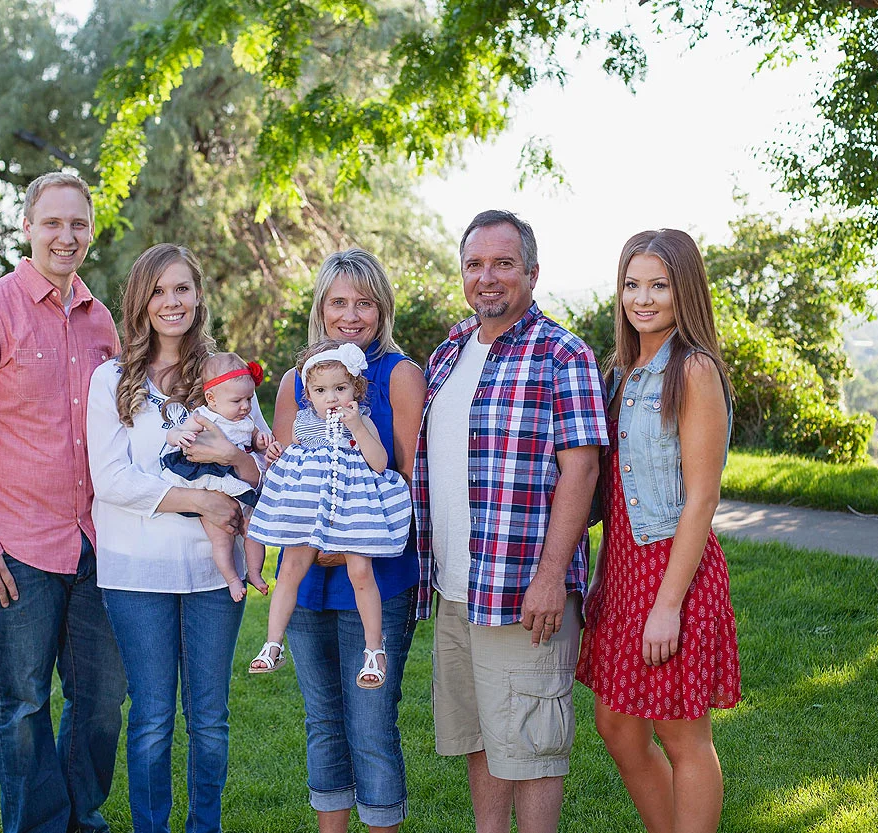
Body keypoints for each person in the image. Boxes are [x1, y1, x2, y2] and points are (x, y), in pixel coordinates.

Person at [0, 172, 127, 833]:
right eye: (52, 222)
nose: (65, 236)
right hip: (13, 551)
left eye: (78, 223)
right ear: (27, 227)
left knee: (101, 702)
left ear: (90, 231)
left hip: (95, 546)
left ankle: (78, 817)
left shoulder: (101, 321)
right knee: (20, 707)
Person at [411, 210, 608, 833]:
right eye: (475, 264)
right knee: (481, 738)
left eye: (503, 263)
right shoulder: (449, 353)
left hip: (524, 592)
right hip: (456, 591)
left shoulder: (563, 354)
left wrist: (551, 578)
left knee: (532, 746)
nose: (487, 277)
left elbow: (582, 471)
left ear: (533, 272)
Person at [86, 243, 268, 833]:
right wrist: (203, 501)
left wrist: (232, 459)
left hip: (215, 573)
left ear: (198, 297)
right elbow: (112, 480)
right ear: (140, 302)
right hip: (135, 571)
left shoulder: (224, 376)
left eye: (182, 289)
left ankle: (204, 827)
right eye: (159, 291)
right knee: (152, 718)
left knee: (209, 719)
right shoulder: (112, 380)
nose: (172, 301)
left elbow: (264, 472)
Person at [576, 229, 741, 833]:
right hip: (624, 568)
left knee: (681, 734)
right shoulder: (622, 372)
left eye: (658, 286)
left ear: (685, 291)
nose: (641, 299)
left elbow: (703, 499)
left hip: (674, 570)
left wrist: (668, 605)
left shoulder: (693, 370)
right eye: (631, 284)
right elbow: (615, 493)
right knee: (617, 726)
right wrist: (603, 577)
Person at [267, 248, 426, 832]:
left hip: (375, 576)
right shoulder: (297, 381)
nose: (351, 315)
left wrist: (351, 541)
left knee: (372, 727)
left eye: (364, 302)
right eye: (339, 302)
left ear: (383, 309)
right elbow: (287, 477)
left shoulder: (400, 376)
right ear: (321, 308)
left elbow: (409, 479)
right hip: (307, 577)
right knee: (323, 724)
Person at [247, 339, 413, 688]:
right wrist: (276, 452)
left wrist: (357, 428)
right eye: (321, 391)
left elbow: (379, 463)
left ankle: (374, 648)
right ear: (308, 394)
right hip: (311, 512)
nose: (332, 398)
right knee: (290, 568)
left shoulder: (362, 421)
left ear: (356, 388)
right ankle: (273, 642)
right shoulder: (303, 422)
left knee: (360, 571)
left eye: (340, 388)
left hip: (352, 511)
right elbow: (291, 460)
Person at [160, 351, 274, 602]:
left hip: (239, 484)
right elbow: (173, 433)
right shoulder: (204, 417)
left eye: (249, 399)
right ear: (211, 398)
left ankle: (254, 573)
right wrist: (178, 437)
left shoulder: (246, 418)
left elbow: (254, 438)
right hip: (214, 484)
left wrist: (260, 440)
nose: (245, 406)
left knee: (254, 531)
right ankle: (232, 579)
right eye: (237, 401)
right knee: (221, 538)